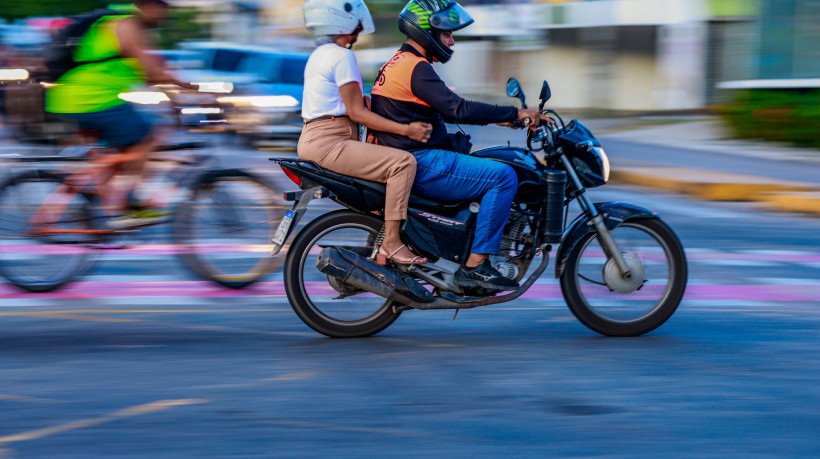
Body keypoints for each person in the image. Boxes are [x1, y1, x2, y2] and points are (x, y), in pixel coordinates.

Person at [370, 0, 548, 290]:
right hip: (420, 162)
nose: (451, 41)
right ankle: (476, 266)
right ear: (426, 31)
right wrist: (514, 113)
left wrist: (501, 119)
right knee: (503, 177)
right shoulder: (416, 68)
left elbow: (435, 108)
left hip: (406, 158)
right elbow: (458, 109)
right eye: (447, 34)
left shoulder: (398, 62)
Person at [41, 0, 196, 229]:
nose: (166, 15)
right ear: (149, 6)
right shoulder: (126, 24)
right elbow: (153, 70)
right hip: (91, 100)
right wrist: (196, 88)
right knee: (147, 137)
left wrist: (174, 100)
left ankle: (106, 205)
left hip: (78, 98)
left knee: (120, 153)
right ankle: (130, 208)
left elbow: (147, 74)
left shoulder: (122, 22)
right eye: (163, 8)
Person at [299, 0, 433, 265]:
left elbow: (346, 105)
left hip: (315, 138)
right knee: (402, 163)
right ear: (342, 22)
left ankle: (379, 245)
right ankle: (391, 242)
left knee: (381, 185)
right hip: (330, 142)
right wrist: (407, 130)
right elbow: (357, 113)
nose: (358, 34)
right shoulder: (341, 56)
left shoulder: (319, 54)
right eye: (356, 28)